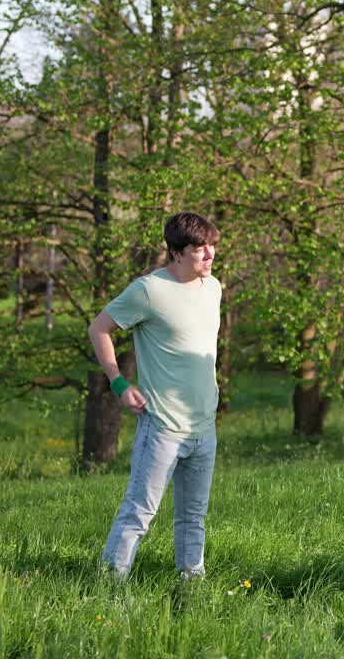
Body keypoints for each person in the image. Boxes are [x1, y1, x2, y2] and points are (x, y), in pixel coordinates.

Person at [89, 212, 223, 580]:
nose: (210, 254)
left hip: (204, 427)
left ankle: (191, 590)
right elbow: (99, 328)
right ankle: (110, 587)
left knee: (194, 519)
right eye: (200, 249)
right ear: (176, 253)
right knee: (139, 513)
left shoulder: (214, 288)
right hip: (163, 427)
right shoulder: (148, 291)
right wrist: (119, 383)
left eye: (212, 246)